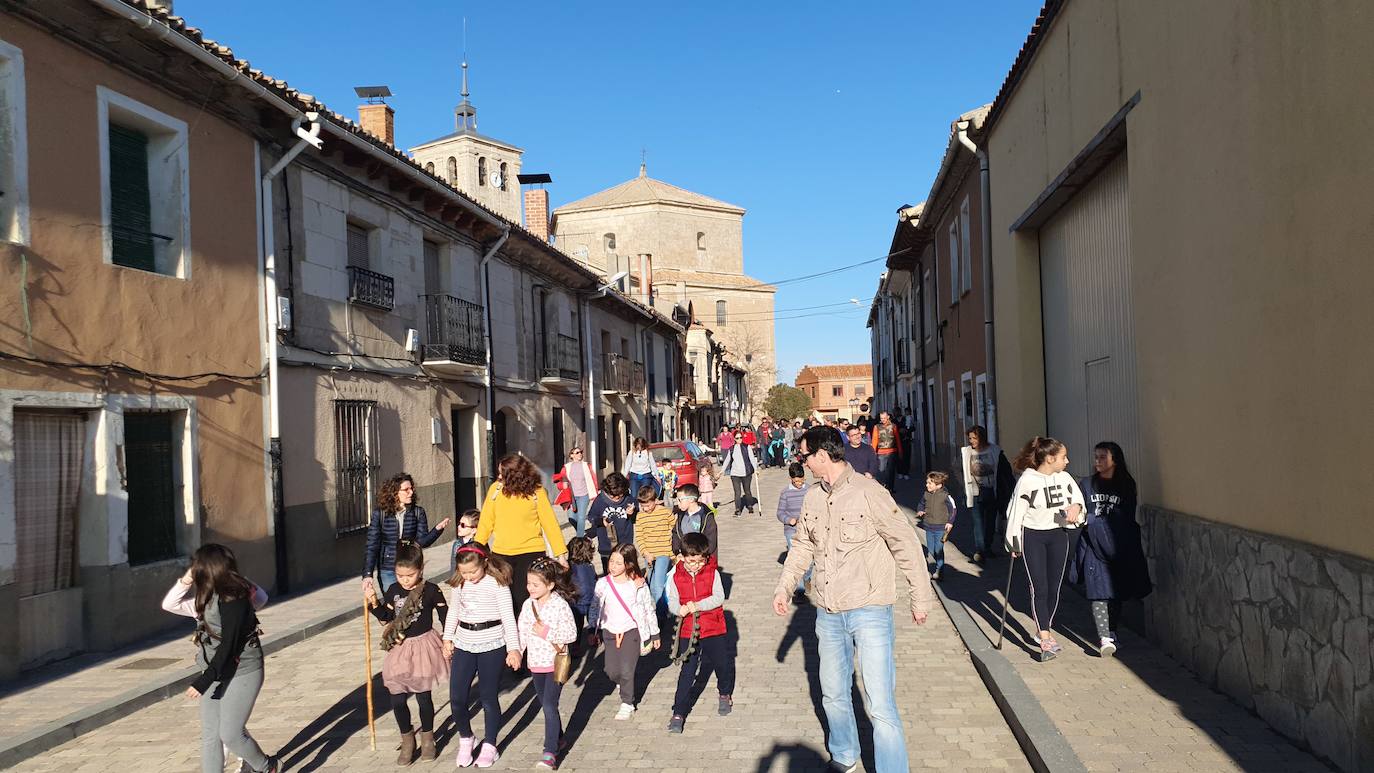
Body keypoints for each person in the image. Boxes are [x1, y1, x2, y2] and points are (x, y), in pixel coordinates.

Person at [772, 426, 934, 773]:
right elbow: (802, 545)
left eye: (805, 456)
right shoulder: (813, 497)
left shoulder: (869, 492)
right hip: (828, 613)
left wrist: (920, 598)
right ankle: (844, 755)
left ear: (821, 455)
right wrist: (785, 586)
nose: (803, 463)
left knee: (880, 704)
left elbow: (904, 544)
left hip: (870, 609)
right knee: (832, 694)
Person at [161, 544, 278, 773]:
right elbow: (169, 604)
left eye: (197, 566)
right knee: (211, 735)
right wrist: (185, 580)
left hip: (243, 670)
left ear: (207, 569)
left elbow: (229, 645)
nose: (194, 570)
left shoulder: (236, 599)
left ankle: (267, 767)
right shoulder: (202, 600)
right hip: (214, 669)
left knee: (231, 733)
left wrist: (204, 681)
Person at [365, 543, 449, 765]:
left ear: (420, 570)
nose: (404, 579)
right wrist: (373, 601)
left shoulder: (431, 590)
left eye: (409, 575)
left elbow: (445, 616)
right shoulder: (393, 590)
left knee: (423, 698)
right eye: (400, 575)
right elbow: (386, 617)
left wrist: (450, 640)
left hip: (423, 648)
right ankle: (407, 737)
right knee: (397, 698)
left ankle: (428, 738)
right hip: (400, 649)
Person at [1005, 436, 1085, 661]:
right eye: (1063, 457)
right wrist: (1013, 541)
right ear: (1050, 459)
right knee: (1039, 588)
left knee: (1054, 589)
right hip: (1033, 537)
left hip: (1058, 535)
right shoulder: (1028, 481)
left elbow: (1078, 501)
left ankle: (1045, 625)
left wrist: (1076, 508)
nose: (1067, 461)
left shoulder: (1065, 478)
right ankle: (1045, 636)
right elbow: (1015, 511)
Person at [1070, 442, 1152, 657]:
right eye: (1096, 457)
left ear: (1115, 459)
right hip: (1093, 545)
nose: (1097, 461)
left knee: (1115, 592)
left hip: (1118, 545)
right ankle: (1104, 636)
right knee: (1098, 591)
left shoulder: (1126, 485)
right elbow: (1079, 506)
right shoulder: (1087, 484)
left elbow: (1125, 518)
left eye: (1102, 457)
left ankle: (1112, 630)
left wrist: (1095, 521)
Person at [442, 544, 521, 768]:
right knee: (457, 698)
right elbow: (453, 612)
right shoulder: (459, 584)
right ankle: (466, 738)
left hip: (492, 643)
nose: (469, 576)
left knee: (488, 698)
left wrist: (513, 649)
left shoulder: (497, 584)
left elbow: (508, 618)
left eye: (472, 572)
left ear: (484, 563)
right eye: (464, 572)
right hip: (464, 642)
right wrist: (447, 639)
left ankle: (490, 744)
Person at [474, 454, 569, 620]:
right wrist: (476, 548)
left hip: (531, 554)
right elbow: (485, 522)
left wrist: (561, 554)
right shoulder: (495, 490)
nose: (499, 476)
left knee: (525, 598)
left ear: (514, 475)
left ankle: (527, 637)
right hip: (502, 554)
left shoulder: (536, 492)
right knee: (504, 599)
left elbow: (550, 523)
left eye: (502, 473)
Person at [664, 532, 734, 733]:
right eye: (690, 561)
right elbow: (673, 601)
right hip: (688, 630)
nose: (694, 565)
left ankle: (724, 693)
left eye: (699, 561)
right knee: (687, 671)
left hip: (714, 627)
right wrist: (679, 610)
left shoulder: (713, 573)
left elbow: (719, 597)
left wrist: (697, 605)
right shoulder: (676, 576)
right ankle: (678, 711)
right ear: (683, 556)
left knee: (721, 663)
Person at [515, 558, 579, 769]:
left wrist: (546, 632)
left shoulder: (560, 605)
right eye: (528, 583)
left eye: (536, 584)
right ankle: (559, 738)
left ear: (550, 584)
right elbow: (522, 631)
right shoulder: (527, 605)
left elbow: (571, 633)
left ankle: (550, 751)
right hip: (535, 663)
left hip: (555, 662)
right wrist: (516, 651)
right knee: (546, 704)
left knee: (550, 705)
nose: (530, 588)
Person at [587, 543, 661, 720]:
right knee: (611, 671)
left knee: (627, 670)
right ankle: (622, 684)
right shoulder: (603, 584)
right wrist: (592, 629)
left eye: (618, 563)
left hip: (632, 631)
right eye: (611, 561)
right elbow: (595, 607)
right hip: (609, 632)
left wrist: (654, 633)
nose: (613, 566)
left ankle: (627, 703)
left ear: (628, 564)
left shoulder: (637, 584)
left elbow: (648, 609)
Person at [363, 473, 450, 597]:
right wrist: (367, 574)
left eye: (412, 489)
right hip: (388, 568)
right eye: (406, 490)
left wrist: (437, 530)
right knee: (393, 607)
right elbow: (372, 545)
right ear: (394, 492)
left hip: (410, 567)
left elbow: (422, 542)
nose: (411, 492)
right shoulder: (380, 514)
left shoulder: (417, 512)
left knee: (409, 607)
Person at [961, 426, 1015, 563]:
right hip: (974, 492)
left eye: (974, 438)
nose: (971, 441)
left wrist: (1009, 488)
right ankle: (980, 550)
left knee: (990, 521)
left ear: (982, 438)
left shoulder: (995, 451)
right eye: (970, 438)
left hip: (992, 491)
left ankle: (987, 547)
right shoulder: (966, 452)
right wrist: (964, 484)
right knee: (977, 522)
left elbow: (1005, 471)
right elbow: (957, 467)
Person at [634, 485, 676, 615]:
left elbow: (674, 528)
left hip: (664, 553)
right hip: (649, 556)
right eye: (642, 506)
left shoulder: (665, 512)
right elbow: (639, 537)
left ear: (655, 500)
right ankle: (656, 610)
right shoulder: (640, 517)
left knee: (658, 584)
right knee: (651, 586)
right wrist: (645, 553)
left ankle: (660, 616)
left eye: (648, 505)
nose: (645, 509)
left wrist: (673, 552)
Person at [586, 472, 636, 574]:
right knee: (609, 573)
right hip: (606, 545)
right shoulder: (600, 500)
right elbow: (591, 516)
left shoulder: (628, 498)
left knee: (627, 573)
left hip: (625, 543)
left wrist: (632, 513)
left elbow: (636, 517)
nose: (617, 498)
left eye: (620, 495)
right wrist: (601, 521)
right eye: (613, 496)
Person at [776, 462, 811, 599]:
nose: (799, 484)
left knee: (810, 560)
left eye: (801, 481)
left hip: (807, 529)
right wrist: (788, 519)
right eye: (796, 481)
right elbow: (780, 513)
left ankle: (807, 577)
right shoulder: (785, 492)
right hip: (791, 530)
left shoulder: (809, 490)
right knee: (797, 559)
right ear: (791, 479)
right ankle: (800, 589)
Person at [916, 472, 957, 581]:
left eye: (930, 483)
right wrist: (920, 510)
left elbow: (953, 510)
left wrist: (950, 522)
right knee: (931, 549)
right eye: (927, 483)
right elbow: (921, 503)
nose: (927, 485)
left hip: (941, 528)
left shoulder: (945, 496)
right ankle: (940, 563)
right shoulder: (926, 494)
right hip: (929, 526)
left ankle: (940, 570)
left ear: (939, 485)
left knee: (938, 549)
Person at [565, 537, 598, 658]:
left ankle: (576, 645)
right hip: (588, 598)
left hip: (577, 601)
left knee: (577, 626)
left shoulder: (570, 566)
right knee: (592, 621)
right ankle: (592, 637)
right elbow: (594, 579)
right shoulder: (589, 565)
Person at [558, 447, 598, 538]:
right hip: (571, 497)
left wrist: (594, 492)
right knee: (571, 518)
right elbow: (561, 480)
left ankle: (579, 538)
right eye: (577, 452)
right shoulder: (566, 467)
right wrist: (563, 485)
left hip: (584, 495)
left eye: (580, 452)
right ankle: (580, 532)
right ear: (571, 455)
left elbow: (593, 479)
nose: (580, 454)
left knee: (581, 518)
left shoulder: (586, 466)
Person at [671, 483, 719, 558]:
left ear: (691, 499)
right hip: (685, 558)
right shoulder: (681, 515)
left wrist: (701, 555)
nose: (678, 503)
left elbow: (711, 540)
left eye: (680, 500)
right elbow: (676, 534)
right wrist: (677, 552)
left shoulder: (706, 516)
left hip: (702, 558)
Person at [721, 430, 759, 516]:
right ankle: (738, 508)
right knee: (737, 492)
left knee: (747, 491)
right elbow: (727, 460)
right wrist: (721, 471)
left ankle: (749, 505)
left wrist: (756, 469)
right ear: (734, 439)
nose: (739, 439)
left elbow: (752, 458)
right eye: (737, 438)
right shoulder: (731, 448)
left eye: (741, 437)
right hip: (735, 474)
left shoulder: (747, 447)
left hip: (746, 473)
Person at [870, 411, 903, 491]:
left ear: (888, 417)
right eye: (881, 418)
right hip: (881, 452)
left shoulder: (893, 426)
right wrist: (873, 452)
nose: (883, 420)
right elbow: (874, 440)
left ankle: (890, 488)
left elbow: (897, 439)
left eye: (884, 418)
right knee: (881, 470)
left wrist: (900, 451)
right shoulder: (877, 427)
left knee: (891, 470)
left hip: (892, 451)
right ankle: (883, 486)